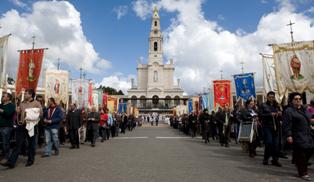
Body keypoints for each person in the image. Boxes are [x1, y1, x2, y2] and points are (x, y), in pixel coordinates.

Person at [1, 89, 42, 168]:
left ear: (30, 95)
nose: (25, 94)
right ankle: (11, 162)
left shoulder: (36, 103)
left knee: (31, 144)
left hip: (32, 126)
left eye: (26, 93)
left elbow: (41, 114)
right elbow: (19, 112)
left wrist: (32, 113)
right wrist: (18, 111)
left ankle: (30, 160)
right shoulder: (22, 103)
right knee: (17, 144)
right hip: (22, 125)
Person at [283, 92, 314, 181]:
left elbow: (309, 118)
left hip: (307, 134)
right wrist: (289, 135)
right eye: (296, 99)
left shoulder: (304, 109)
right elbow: (286, 124)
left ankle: (299, 163)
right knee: (301, 154)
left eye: (300, 99)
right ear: (292, 100)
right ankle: (303, 173)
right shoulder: (289, 111)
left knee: (310, 150)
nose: (298, 101)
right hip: (297, 135)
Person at [259, 91, 282, 167]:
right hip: (267, 126)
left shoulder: (277, 105)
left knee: (276, 144)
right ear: (267, 97)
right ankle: (266, 158)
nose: (271, 98)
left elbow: (281, 115)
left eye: (273, 97)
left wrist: (279, 114)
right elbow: (260, 115)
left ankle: (275, 160)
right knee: (269, 143)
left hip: (276, 126)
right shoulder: (263, 105)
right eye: (270, 97)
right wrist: (270, 114)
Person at [0, 93, 15, 164]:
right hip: (0, 126)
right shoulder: (1, 105)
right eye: (2, 96)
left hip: (6, 127)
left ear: (8, 98)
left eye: (4, 96)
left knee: (5, 142)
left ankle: (7, 157)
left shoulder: (11, 105)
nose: (2, 97)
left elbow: (8, 113)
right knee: (1, 143)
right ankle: (2, 155)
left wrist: (1, 110)